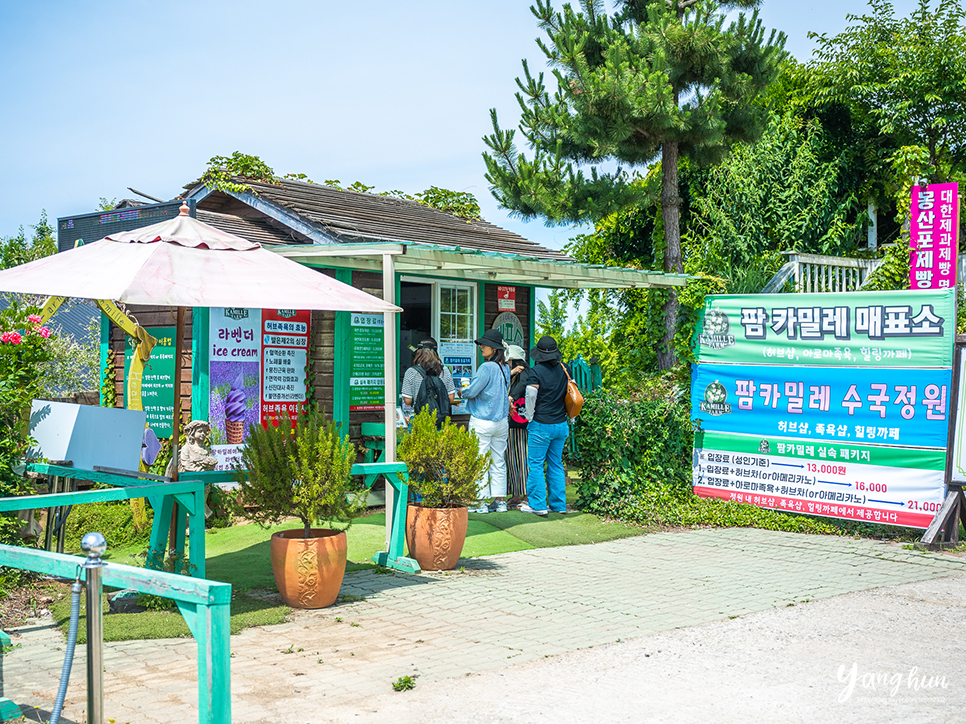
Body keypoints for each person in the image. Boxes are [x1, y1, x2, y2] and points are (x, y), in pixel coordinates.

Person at [460, 328, 510, 514]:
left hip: (482, 420)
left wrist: (462, 391)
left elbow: (471, 391)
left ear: (495, 349)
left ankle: (480, 503)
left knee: (479, 460)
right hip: (501, 421)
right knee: (499, 461)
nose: (481, 347)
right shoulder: (505, 368)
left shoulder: (486, 367)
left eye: (485, 345)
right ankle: (500, 502)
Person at [520, 336, 570, 516]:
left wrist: (529, 416)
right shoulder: (566, 369)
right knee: (556, 464)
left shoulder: (536, 371)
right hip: (561, 424)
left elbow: (531, 395)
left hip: (541, 424)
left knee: (535, 464)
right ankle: (559, 505)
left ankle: (538, 505)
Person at [505, 344, 530, 508]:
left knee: (520, 458)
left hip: (519, 422)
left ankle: (526, 495)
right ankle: (516, 495)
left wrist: (511, 397)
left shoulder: (524, 374)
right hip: (515, 421)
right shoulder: (514, 373)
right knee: (513, 458)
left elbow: (518, 390)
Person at [401, 347, 451, 427]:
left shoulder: (411, 371)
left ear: (418, 355)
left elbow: (407, 400)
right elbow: (451, 398)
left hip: (419, 417)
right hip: (441, 419)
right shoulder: (444, 370)